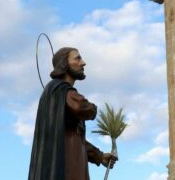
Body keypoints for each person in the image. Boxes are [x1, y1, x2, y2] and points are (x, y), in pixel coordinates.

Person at [28, 47, 117, 180]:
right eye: (77, 58)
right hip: (66, 171)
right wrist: (93, 108)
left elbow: (72, 136)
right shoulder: (62, 91)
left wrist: (99, 156)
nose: (83, 63)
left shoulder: (55, 93)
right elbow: (84, 108)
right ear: (64, 64)